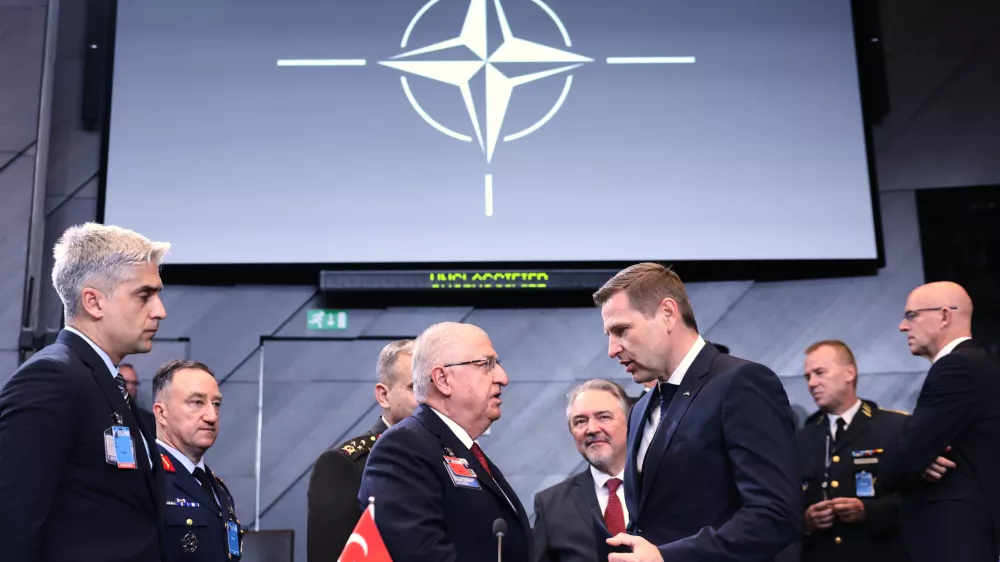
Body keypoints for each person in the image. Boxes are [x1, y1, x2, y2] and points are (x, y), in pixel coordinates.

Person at [593, 263, 801, 562]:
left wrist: (667, 557)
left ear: (667, 313)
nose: (612, 349)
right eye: (609, 336)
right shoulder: (639, 409)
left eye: (621, 330)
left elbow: (777, 516)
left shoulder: (742, 383)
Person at [0, 223, 169, 562]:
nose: (159, 311)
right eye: (144, 295)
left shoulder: (101, 383)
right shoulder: (52, 379)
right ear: (93, 301)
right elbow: (13, 526)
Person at [357, 322, 531, 561]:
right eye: (486, 364)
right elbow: (421, 555)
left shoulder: (460, 448)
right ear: (442, 379)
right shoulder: (402, 448)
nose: (503, 378)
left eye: (497, 365)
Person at [880, 282, 1000, 562]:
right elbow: (916, 451)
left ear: (945, 316)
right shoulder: (975, 364)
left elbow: (902, 458)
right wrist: (920, 457)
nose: (902, 326)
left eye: (912, 315)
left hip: (955, 539)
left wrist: (912, 460)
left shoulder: (957, 367)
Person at [307, 339, 417, 561]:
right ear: (384, 396)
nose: (428, 398)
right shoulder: (344, 465)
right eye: (415, 388)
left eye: (432, 387)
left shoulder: (450, 459)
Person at [797, 340, 907, 562]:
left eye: (819, 373)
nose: (812, 383)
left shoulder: (893, 427)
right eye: (808, 377)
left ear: (849, 373)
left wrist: (869, 512)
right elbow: (785, 505)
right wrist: (806, 520)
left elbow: (916, 498)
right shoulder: (802, 438)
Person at [533, 379, 631, 562]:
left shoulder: (664, 488)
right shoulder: (551, 505)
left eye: (604, 417)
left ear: (630, 423)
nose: (592, 429)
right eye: (580, 421)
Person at [154, 359, 242, 562]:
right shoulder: (146, 476)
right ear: (161, 413)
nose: (211, 416)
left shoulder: (218, 489)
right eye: (197, 402)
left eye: (216, 404)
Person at [121, 362, 157, 432]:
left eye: (134, 383)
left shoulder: (148, 421)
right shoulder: (99, 415)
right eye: (125, 381)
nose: (130, 387)